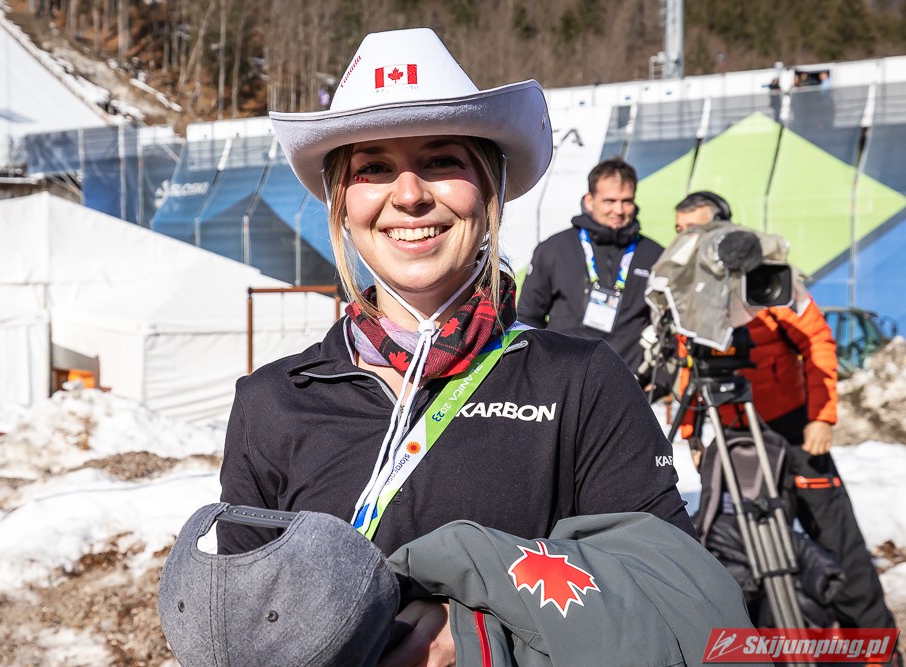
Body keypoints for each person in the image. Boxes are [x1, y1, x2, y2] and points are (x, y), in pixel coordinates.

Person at [217, 27, 695, 666]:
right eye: (373, 168)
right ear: (341, 203)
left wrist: (481, 639)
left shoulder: (580, 381)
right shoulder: (271, 401)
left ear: (489, 187)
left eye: (441, 160)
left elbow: (676, 602)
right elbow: (244, 631)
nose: (409, 195)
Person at [672, 191, 898, 633]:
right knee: (745, 551)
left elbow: (818, 341)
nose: (687, 240)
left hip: (795, 431)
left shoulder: (767, 277)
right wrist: (692, 434)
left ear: (724, 229)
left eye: (696, 229)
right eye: (680, 231)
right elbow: (687, 365)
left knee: (839, 544)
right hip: (734, 436)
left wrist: (821, 417)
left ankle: (875, 651)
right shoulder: (687, 290)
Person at [517, 157, 664, 378]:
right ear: (589, 200)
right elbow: (528, 318)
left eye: (627, 201)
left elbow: (667, 326)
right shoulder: (554, 249)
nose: (619, 210)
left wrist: (660, 380)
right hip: (563, 377)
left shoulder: (654, 255)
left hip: (629, 381)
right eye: (609, 201)